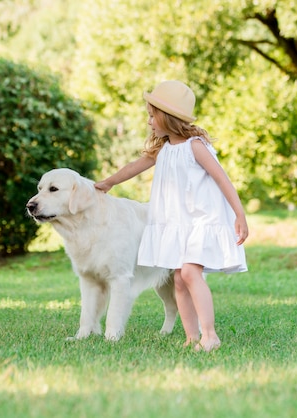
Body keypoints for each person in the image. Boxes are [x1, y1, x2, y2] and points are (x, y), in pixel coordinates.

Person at [95, 80, 248, 352]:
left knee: (189, 272)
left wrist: (239, 214)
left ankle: (210, 335)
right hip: (178, 224)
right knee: (178, 277)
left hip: (201, 219)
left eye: (153, 115)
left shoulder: (195, 146)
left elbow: (222, 179)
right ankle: (191, 338)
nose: (149, 121)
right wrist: (108, 182)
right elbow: (134, 167)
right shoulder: (163, 149)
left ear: (168, 117)